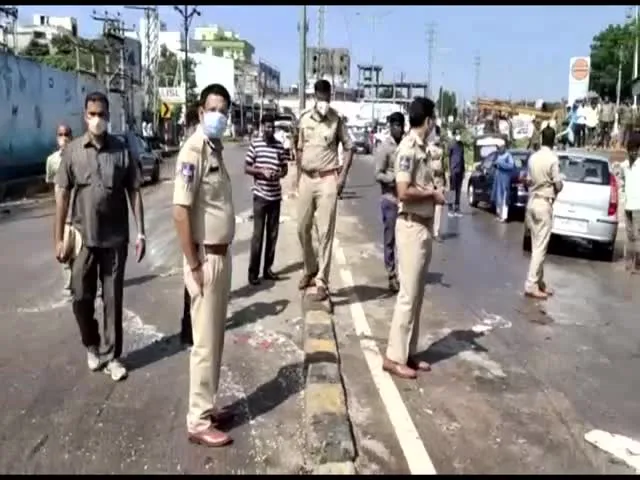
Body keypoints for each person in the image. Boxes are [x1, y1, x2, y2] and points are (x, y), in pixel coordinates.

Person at [54, 91, 146, 382]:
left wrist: (140, 231)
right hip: (83, 240)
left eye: (102, 114)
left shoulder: (121, 150)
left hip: (115, 240)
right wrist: (58, 238)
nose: (97, 119)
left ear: (109, 116)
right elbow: (62, 196)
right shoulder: (72, 153)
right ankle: (91, 344)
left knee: (112, 300)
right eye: (92, 114)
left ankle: (112, 356)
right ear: (85, 116)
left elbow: (134, 191)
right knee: (81, 298)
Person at [173, 83, 235, 448]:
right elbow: (180, 212)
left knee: (215, 339)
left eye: (224, 110)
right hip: (205, 258)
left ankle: (208, 405)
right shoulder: (193, 151)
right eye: (214, 109)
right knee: (204, 344)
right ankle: (197, 421)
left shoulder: (216, 149)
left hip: (221, 255)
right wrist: (193, 263)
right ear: (200, 112)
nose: (220, 116)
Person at [383, 96, 444, 380]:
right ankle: (394, 357)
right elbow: (404, 190)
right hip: (410, 225)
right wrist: (432, 194)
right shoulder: (408, 149)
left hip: (422, 226)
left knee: (417, 294)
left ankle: (409, 351)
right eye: (434, 119)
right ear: (428, 120)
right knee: (407, 295)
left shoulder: (423, 149)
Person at [296, 79, 354, 302]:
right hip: (307, 179)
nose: (324, 102)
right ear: (314, 97)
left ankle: (322, 280)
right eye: (320, 98)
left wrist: (343, 177)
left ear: (331, 97)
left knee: (325, 231)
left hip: (328, 179)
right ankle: (310, 268)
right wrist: (299, 173)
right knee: (302, 227)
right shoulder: (304, 119)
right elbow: (299, 147)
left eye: (327, 98)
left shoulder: (336, 120)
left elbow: (350, 147)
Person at [245, 114, 289, 285]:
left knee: (272, 235)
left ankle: (267, 269)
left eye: (272, 127)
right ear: (262, 127)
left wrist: (279, 174)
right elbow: (247, 167)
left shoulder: (279, 146)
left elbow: (285, 168)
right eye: (267, 127)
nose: (269, 130)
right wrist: (261, 172)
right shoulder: (255, 144)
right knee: (258, 236)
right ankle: (253, 273)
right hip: (260, 196)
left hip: (275, 197)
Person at [524, 126, 563, 299]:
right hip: (543, 204)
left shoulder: (533, 158)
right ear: (553, 140)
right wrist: (559, 186)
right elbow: (558, 184)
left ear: (541, 139)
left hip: (531, 202)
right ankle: (531, 283)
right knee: (540, 247)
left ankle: (539, 282)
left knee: (536, 245)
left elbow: (528, 178)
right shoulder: (553, 159)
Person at [374, 111, 405, 293]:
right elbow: (377, 174)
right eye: (396, 126)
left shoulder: (405, 145)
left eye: (401, 126)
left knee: (403, 240)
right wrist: (392, 179)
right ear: (391, 127)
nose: (399, 129)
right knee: (390, 239)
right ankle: (391, 274)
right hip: (390, 199)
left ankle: (403, 273)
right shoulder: (385, 148)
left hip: (404, 200)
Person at [179, 103, 202, 348]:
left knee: (193, 287)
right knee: (192, 285)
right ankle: (189, 330)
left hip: (199, 229)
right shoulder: (191, 150)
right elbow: (182, 205)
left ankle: (189, 329)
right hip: (195, 230)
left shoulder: (207, 147)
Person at [47, 123, 73, 294]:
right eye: (60, 134)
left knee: (83, 246)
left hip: (77, 208)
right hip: (61, 210)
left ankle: (95, 284)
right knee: (62, 246)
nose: (63, 137)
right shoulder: (52, 160)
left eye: (66, 134)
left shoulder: (77, 157)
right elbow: (51, 183)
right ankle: (68, 284)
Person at [621, 132, 640, 273]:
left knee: (638, 236)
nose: (632, 152)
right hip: (627, 205)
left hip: (638, 206)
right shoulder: (625, 165)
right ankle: (629, 262)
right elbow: (621, 180)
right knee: (629, 236)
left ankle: (637, 264)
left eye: (635, 149)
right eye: (630, 149)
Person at [429, 127, 447, 242]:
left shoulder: (442, 149)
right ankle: (429, 229)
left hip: (440, 179)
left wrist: (446, 181)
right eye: (436, 135)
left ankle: (436, 231)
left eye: (439, 135)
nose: (437, 137)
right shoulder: (428, 148)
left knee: (439, 206)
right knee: (429, 206)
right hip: (430, 180)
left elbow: (445, 165)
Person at [490, 142, 516, 222]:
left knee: (504, 198)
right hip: (498, 180)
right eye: (498, 147)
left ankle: (504, 217)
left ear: (504, 147)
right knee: (498, 197)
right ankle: (498, 214)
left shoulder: (508, 156)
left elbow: (511, 166)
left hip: (505, 179)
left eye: (500, 147)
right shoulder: (498, 155)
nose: (499, 149)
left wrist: (501, 164)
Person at [447, 128, 465, 217]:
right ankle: (450, 209)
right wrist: (449, 170)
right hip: (453, 170)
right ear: (454, 135)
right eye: (457, 134)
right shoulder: (451, 144)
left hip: (460, 170)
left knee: (458, 190)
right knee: (452, 190)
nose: (459, 136)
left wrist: (464, 170)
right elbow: (448, 158)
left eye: (460, 134)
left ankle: (457, 209)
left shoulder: (461, 145)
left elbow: (463, 158)